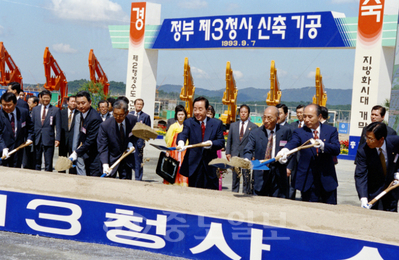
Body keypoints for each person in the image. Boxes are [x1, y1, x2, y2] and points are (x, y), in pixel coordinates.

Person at [278, 104, 340, 204]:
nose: (306, 119)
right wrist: (285, 150)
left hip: (327, 181)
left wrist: (323, 145)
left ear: (319, 116)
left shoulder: (330, 130)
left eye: (310, 116)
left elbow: (336, 149)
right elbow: (293, 142)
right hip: (308, 182)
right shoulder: (300, 132)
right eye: (305, 116)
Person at [244, 106, 293, 197]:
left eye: (269, 118)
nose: (266, 120)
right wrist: (247, 159)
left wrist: (288, 165)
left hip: (279, 175)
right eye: (264, 117)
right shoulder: (255, 133)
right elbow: (248, 149)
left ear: (277, 119)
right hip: (261, 174)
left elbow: (291, 150)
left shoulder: (286, 131)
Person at [177, 96, 225, 190]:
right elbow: (183, 134)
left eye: (200, 109)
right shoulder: (189, 122)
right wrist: (181, 142)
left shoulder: (216, 123)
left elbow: (221, 142)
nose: (197, 112)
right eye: (195, 109)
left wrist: (211, 143)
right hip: (194, 167)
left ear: (207, 110)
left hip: (210, 167)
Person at [355, 122, 399, 212]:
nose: (367, 141)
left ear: (381, 139)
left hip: (392, 190)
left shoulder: (396, 142)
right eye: (366, 137)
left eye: (370, 139)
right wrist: (363, 198)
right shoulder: (363, 151)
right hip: (373, 191)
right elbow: (360, 175)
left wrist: (397, 172)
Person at [97, 100, 137, 179]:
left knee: (126, 184)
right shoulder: (105, 125)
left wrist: (132, 143)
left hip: (126, 158)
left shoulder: (133, 120)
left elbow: (136, 135)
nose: (118, 118)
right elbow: (103, 146)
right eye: (115, 115)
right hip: (111, 159)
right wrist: (105, 164)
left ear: (127, 113)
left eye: (121, 115)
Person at [226, 104, 258, 194]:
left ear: (248, 114)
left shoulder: (254, 127)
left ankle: (246, 193)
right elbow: (229, 140)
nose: (243, 114)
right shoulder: (233, 125)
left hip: (246, 156)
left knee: (246, 176)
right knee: (235, 176)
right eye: (241, 112)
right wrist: (228, 152)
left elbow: (255, 143)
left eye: (245, 112)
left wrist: (253, 155)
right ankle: (234, 192)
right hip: (235, 154)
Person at [69, 91, 102, 177]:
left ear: (90, 102)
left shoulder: (94, 118)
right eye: (78, 103)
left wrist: (76, 152)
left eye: (83, 103)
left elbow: (90, 140)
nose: (80, 106)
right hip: (86, 154)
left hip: (95, 157)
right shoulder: (81, 114)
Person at [0, 92, 33, 168]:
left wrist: (29, 138)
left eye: (9, 105)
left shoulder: (23, 112)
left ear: (15, 103)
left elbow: (30, 127)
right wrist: (3, 148)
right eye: (4, 105)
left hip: (18, 150)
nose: (6, 107)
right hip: (3, 150)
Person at [32, 89, 61, 171]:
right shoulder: (35, 109)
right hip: (37, 138)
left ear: (50, 98)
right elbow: (32, 125)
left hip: (49, 139)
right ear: (40, 98)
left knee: (48, 162)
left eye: (48, 98)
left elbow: (58, 126)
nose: (46, 99)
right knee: (37, 161)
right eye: (44, 97)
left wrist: (57, 139)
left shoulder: (55, 110)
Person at [164, 105, 188, 186]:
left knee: (184, 166)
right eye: (179, 114)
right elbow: (168, 138)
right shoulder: (173, 126)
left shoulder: (187, 126)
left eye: (182, 114)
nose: (181, 116)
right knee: (174, 166)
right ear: (176, 115)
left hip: (184, 149)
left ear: (185, 115)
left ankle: (183, 183)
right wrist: (168, 150)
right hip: (174, 150)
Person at [129, 98, 151, 181]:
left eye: (140, 104)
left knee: (138, 161)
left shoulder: (146, 116)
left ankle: (138, 178)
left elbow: (148, 130)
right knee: (128, 160)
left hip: (139, 142)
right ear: (134, 105)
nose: (139, 106)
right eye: (137, 104)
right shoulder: (130, 114)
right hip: (129, 141)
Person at [59, 95, 79, 173]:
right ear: (68, 102)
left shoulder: (79, 114)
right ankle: (61, 174)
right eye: (72, 101)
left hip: (73, 141)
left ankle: (72, 175)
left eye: (75, 102)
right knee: (62, 159)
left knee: (73, 160)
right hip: (63, 140)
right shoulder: (61, 113)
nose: (73, 103)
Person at [23, 96, 39, 169]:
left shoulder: (38, 114)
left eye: (29, 103)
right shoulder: (27, 113)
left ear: (35, 103)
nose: (27, 104)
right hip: (27, 139)